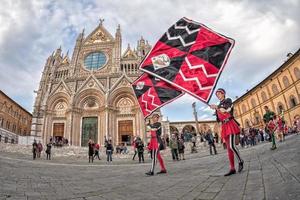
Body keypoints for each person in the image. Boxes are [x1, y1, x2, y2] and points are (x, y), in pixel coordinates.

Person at [210, 88, 244, 176]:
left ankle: (240, 161)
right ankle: (232, 168)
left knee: (232, 146)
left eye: (219, 93)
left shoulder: (228, 100)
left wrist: (217, 108)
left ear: (223, 94)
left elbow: (226, 110)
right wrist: (215, 110)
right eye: (217, 94)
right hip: (224, 126)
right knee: (229, 149)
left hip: (230, 124)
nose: (218, 95)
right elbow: (218, 119)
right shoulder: (218, 105)